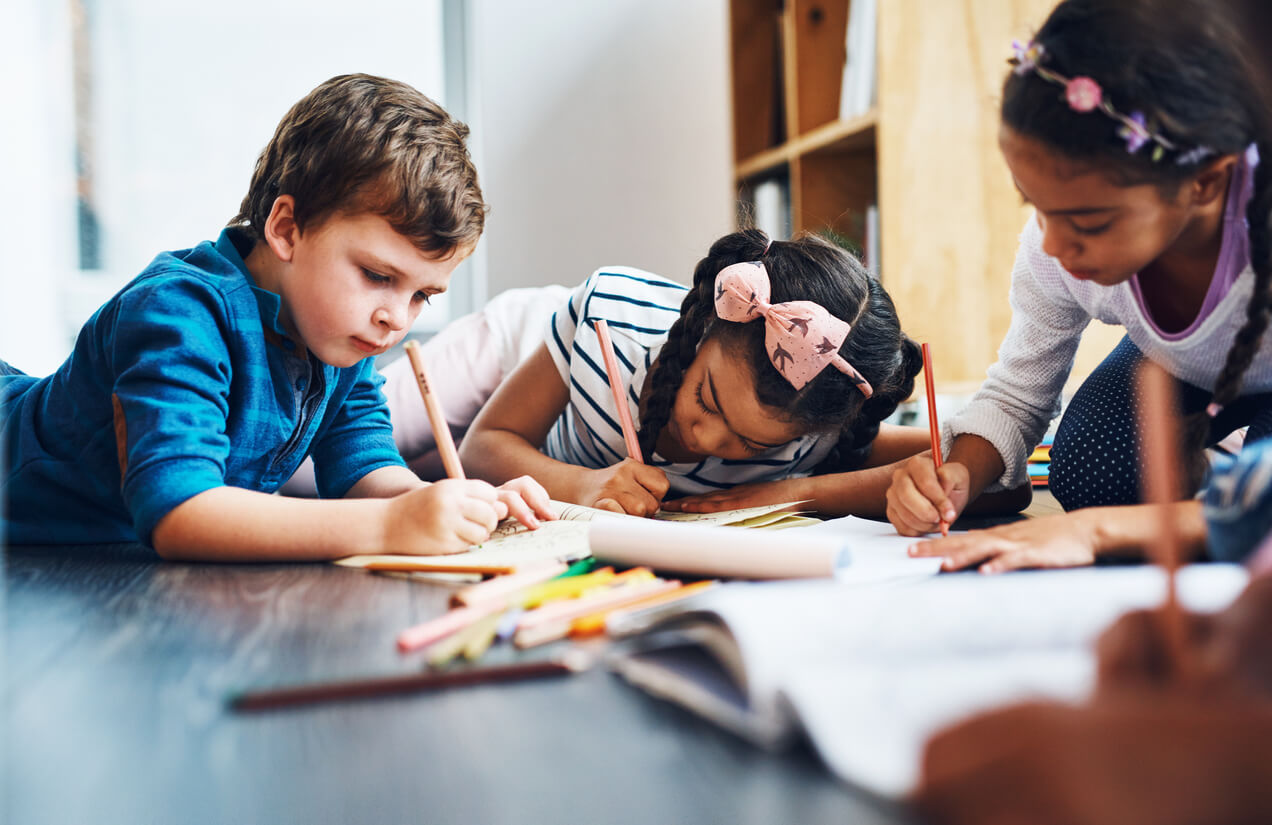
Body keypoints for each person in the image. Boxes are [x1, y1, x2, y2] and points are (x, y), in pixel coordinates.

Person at [0, 74, 552, 561]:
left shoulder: (337, 337)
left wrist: (458, 506)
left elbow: (365, 468)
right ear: (286, 229)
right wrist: (390, 524)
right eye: (378, 276)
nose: (396, 319)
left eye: (422, 296)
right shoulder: (178, 312)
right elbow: (180, 512)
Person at [885, 0, 1272, 562]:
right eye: (1036, 207)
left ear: (1206, 185)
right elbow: (1018, 394)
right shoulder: (1057, 246)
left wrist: (1093, 532)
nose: (1055, 246)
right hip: (1183, 371)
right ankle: (1215, 488)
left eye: (1089, 223)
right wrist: (959, 473)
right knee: (1091, 466)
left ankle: (1218, 490)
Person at [456, 229, 934, 516]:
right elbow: (480, 449)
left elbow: (991, 468)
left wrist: (801, 490)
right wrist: (584, 486)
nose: (706, 439)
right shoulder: (607, 319)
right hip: (510, 337)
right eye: (707, 398)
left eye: (750, 444)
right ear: (707, 323)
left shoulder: (815, 423)